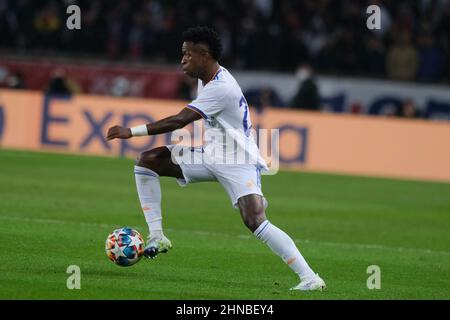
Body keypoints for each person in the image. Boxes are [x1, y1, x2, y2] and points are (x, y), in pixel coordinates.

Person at [106, 26, 325, 291]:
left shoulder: (221, 88)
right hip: (209, 155)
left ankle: (310, 278)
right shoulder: (205, 78)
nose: (182, 59)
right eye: (182, 53)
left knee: (255, 220)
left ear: (205, 55)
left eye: (188, 54)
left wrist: (131, 131)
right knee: (148, 160)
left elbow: (180, 120)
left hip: (238, 161)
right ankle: (157, 236)